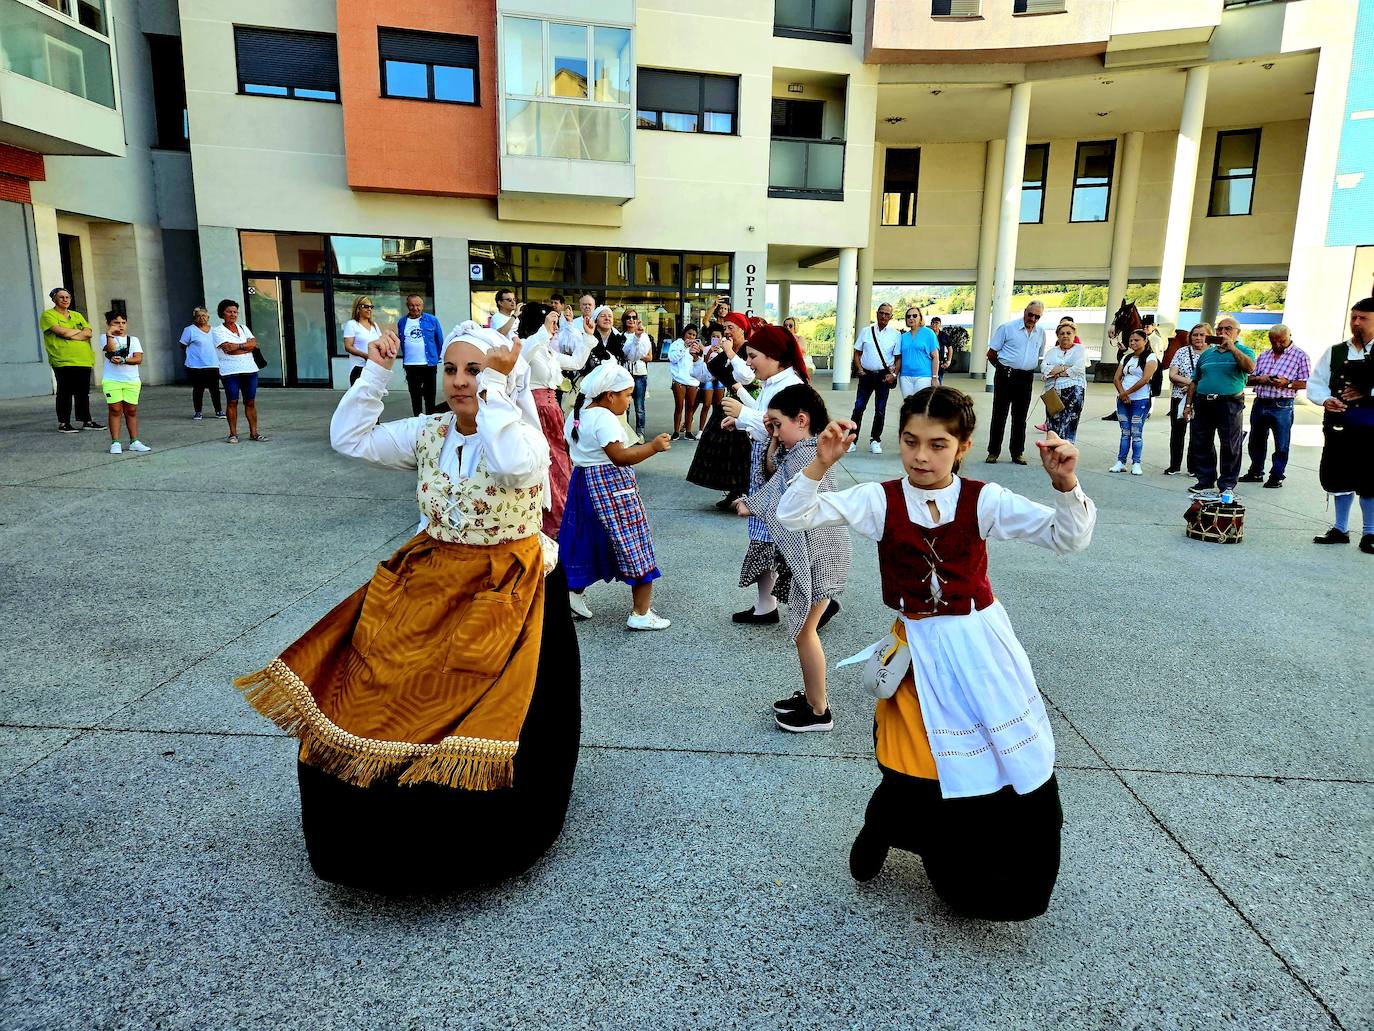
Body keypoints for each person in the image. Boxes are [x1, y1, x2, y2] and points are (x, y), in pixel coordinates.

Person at [234, 325, 580, 892]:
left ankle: (470, 839)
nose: (462, 381)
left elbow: (516, 468)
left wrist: (497, 385)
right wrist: (375, 373)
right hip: (431, 575)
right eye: (453, 370)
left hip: (505, 588)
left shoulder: (524, 434)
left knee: (487, 707)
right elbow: (350, 439)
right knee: (368, 683)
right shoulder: (429, 432)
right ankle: (366, 833)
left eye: (474, 369)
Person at [776, 386, 1096, 920]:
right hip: (918, 646)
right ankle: (885, 827)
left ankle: (1000, 869)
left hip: (979, 645)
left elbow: (1068, 537)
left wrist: (1066, 485)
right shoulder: (880, 500)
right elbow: (793, 515)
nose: (921, 456)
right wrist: (818, 463)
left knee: (1002, 751)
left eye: (938, 444)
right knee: (913, 757)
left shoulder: (984, 500)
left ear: (963, 446)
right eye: (910, 441)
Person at [736, 384, 849, 732]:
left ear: (801, 420)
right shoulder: (806, 450)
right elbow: (775, 481)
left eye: (776, 424)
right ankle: (815, 697)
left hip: (819, 559)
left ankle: (819, 712)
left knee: (804, 633)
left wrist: (751, 505)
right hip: (824, 555)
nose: (773, 432)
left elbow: (781, 499)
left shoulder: (806, 455)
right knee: (803, 630)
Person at [559, 361, 672, 629]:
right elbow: (619, 456)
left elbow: (569, 447)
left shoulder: (577, 414)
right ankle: (641, 613)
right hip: (611, 485)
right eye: (627, 394)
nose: (629, 400)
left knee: (589, 540)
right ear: (610, 395)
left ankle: (574, 594)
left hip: (583, 482)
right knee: (635, 541)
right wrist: (653, 447)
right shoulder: (605, 418)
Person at [721, 322, 811, 625]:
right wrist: (742, 422)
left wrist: (742, 415)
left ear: (773, 356)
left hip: (778, 470)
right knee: (765, 537)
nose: (749, 363)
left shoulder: (788, 386)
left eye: (753, 356)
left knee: (781, 538)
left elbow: (781, 428)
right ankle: (765, 605)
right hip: (767, 467)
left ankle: (819, 599)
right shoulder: (775, 383)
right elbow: (767, 423)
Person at [1308, 297, 1374, 553]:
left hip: (1371, 427)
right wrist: (1326, 399)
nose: (1356, 323)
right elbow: (1317, 382)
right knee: (1339, 475)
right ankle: (1340, 528)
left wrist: (1367, 393)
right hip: (1339, 425)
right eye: (1353, 317)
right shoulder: (1335, 351)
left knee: (1370, 479)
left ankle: (1370, 532)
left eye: (1363, 318)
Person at [518, 303, 584, 538]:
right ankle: (547, 520)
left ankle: (561, 517)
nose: (554, 328)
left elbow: (577, 362)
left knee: (559, 463)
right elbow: (521, 361)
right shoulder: (526, 345)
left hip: (552, 410)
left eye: (555, 324)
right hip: (535, 412)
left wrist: (584, 333)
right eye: (551, 322)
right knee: (544, 464)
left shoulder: (547, 350)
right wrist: (544, 330)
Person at [1185, 316, 1256, 499]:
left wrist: (1232, 348)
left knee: (1230, 445)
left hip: (1229, 402)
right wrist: (1188, 404)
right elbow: (1195, 380)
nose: (1223, 332)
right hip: (1204, 401)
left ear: (1237, 332)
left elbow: (1249, 368)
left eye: (1228, 329)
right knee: (1202, 442)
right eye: (1220, 329)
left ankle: (1227, 484)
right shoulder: (1207, 353)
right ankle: (1205, 480)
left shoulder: (1244, 350)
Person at [686, 322, 753, 508]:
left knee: (743, 451)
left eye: (731, 328)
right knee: (722, 449)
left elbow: (747, 377)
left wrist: (730, 353)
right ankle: (734, 490)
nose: (727, 332)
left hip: (748, 404)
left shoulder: (750, 349)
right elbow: (707, 375)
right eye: (726, 328)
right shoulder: (726, 351)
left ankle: (745, 492)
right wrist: (700, 357)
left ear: (742, 329)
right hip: (730, 402)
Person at [1239, 324, 1309, 489]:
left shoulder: (1300, 356)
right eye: (1273, 341)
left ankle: (1277, 475)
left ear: (1289, 336)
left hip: (1282, 404)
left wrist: (1288, 383)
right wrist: (1261, 379)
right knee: (1256, 441)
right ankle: (1256, 471)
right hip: (1261, 401)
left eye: (1281, 341)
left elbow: (1307, 383)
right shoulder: (1264, 355)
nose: (1277, 344)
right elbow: (1248, 379)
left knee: (1281, 443)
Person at [986, 302, 1046, 465]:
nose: (1033, 319)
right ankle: (993, 452)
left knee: (1020, 417)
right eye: (1031, 314)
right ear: (1025, 311)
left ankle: (1017, 452)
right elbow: (991, 353)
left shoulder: (1040, 333)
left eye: (1037, 316)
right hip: (1005, 375)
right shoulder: (1007, 328)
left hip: (1026, 377)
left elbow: (1039, 354)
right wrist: (1002, 369)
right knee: (999, 414)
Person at [41, 287, 102, 433]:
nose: (65, 300)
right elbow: (62, 332)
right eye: (61, 297)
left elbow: (88, 333)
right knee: (65, 392)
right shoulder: (48, 315)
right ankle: (64, 423)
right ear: (54, 299)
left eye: (67, 297)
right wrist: (77, 333)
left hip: (83, 359)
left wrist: (71, 334)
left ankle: (86, 420)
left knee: (83, 392)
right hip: (63, 360)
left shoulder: (77, 315)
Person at [212, 299, 268, 444]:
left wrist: (238, 346)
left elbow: (253, 344)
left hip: (250, 369)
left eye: (235, 312)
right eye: (229, 311)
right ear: (222, 313)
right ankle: (233, 434)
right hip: (230, 371)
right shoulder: (218, 331)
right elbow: (227, 350)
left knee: (250, 401)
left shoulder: (243, 328)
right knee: (232, 401)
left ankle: (254, 433)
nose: (233, 314)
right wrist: (245, 347)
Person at [848, 303, 902, 454]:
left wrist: (894, 375)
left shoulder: (896, 335)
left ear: (891, 317)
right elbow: (857, 352)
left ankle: (875, 440)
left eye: (887, 314)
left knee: (880, 410)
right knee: (858, 408)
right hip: (866, 375)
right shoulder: (866, 331)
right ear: (877, 313)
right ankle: (852, 440)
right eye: (881, 313)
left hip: (884, 376)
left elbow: (898, 358)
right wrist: (859, 369)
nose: (884, 316)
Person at [99, 311, 151, 455]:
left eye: (123, 322)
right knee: (115, 409)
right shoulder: (105, 337)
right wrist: (110, 333)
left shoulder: (133, 340)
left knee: (131, 410)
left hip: (131, 380)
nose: (120, 326)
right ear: (109, 324)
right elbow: (110, 349)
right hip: (112, 380)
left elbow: (138, 359)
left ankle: (134, 441)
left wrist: (123, 360)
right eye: (116, 322)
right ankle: (115, 442)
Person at [1109, 329, 1158, 475]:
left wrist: (1126, 393)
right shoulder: (1126, 358)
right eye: (1131, 340)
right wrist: (1122, 394)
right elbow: (1116, 378)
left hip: (1140, 400)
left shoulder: (1151, 357)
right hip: (1123, 400)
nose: (1133, 343)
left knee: (1136, 432)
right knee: (1125, 432)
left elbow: (1145, 379)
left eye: (1137, 340)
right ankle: (1120, 462)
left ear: (1145, 341)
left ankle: (1136, 462)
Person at [1164, 323, 1209, 477]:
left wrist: (1194, 388)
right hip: (1179, 396)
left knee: (1197, 433)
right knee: (1177, 432)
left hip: (1202, 398)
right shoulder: (1182, 352)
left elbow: (1211, 378)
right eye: (1195, 334)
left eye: (1202, 335)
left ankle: (1193, 467)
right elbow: (1172, 374)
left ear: (1208, 336)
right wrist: (1191, 384)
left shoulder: (1212, 353)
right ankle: (1174, 465)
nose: (1198, 338)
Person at [396, 294, 444, 416]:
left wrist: (435, 357)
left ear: (422, 306)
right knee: (415, 395)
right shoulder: (402, 322)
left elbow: (440, 341)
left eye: (418, 305)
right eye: (412, 305)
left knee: (430, 396)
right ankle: (417, 420)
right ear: (407, 306)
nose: (415, 308)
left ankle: (430, 421)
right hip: (410, 365)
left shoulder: (432, 320)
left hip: (428, 364)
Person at [1041, 320, 1087, 443]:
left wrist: (1057, 371)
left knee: (1069, 422)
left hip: (1074, 389)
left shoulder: (1080, 350)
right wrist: (1066, 368)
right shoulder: (1052, 352)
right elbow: (1044, 368)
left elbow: (1078, 368)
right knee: (1053, 424)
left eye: (1068, 333)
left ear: (1074, 335)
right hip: (1053, 392)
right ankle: (1052, 454)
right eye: (1062, 333)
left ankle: (1065, 453)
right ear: (1058, 336)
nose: (1065, 336)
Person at [179, 306, 224, 420]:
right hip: (196, 365)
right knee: (198, 389)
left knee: (215, 390)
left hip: (212, 364)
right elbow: (182, 345)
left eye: (203, 315)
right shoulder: (189, 330)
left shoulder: (214, 330)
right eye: (198, 316)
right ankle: (198, 411)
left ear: (208, 317)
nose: (201, 318)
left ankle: (218, 410)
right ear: (195, 318)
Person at [622, 309, 654, 440]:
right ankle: (626, 432)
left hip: (640, 374)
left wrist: (634, 355)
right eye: (628, 317)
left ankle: (640, 433)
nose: (631, 320)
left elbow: (649, 356)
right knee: (625, 405)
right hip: (625, 373)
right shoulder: (621, 336)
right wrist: (636, 355)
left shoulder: (644, 336)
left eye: (634, 317)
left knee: (639, 406)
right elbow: (623, 355)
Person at [898, 306, 940, 399]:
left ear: (920, 317)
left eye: (914, 315)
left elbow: (935, 357)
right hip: (905, 377)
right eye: (908, 316)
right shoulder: (903, 336)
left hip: (923, 376)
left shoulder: (929, 333)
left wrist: (934, 377)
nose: (911, 318)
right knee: (908, 405)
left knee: (921, 406)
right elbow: (899, 357)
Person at [668, 325, 701, 440]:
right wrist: (684, 347)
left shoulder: (696, 346)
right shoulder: (676, 344)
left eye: (694, 335)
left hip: (693, 381)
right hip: (679, 380)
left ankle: (688, 431)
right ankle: (676, 431)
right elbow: (672, 358)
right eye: (689, 334)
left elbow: (700, 360)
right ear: (684, 333)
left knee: (690, 407)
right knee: (679, 406)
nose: (691, 337)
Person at [343, 296, 382, 386]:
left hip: (373, 367)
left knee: (372, 396)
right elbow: (348, 347)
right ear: (358, 308)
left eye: (371, 307)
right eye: (366, 306)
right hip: (358, 367)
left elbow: (380, 343)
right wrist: (365, 356)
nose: (369, 309)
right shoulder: (352, 324)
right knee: (358, 396)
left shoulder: (374, 326)